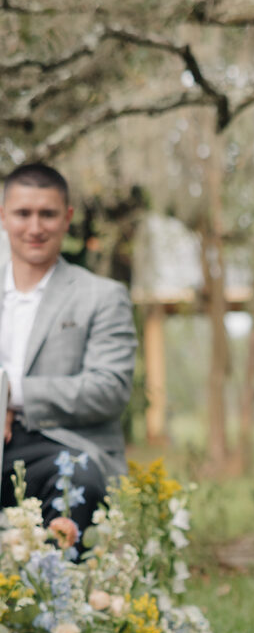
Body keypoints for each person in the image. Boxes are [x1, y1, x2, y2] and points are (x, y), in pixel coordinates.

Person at [0, 162, 136, 534]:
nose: (35, 227)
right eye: (23, 213)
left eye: (47, 214)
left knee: (77, 480)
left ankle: (57, 591)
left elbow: (109, 389)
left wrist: (10, 394)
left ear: (67, 218)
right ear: (2, 216)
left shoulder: (102, 296)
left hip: (63, 446)